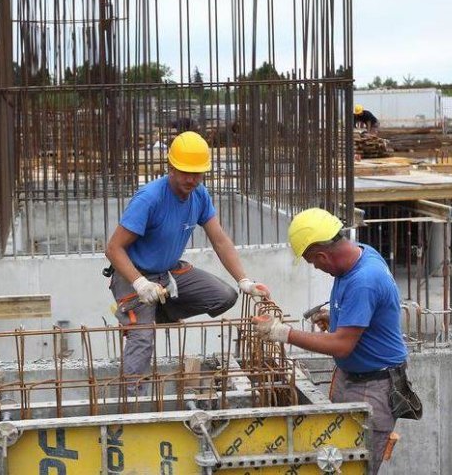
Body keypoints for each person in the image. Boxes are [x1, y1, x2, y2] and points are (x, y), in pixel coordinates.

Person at [254, 208, 419, 474]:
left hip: (372, 388)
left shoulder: (364, 280)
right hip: (354, 377)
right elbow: (368, 318)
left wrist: (281, 333)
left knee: (352, 468)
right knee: (333, 463)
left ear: (322, 255)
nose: (316, 267)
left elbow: (343, 345)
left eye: (313, 262)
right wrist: (340, 318)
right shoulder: (358, 255)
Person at [105, 131, 270, 392]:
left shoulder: (200, 195)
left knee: (224, 296)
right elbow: (113, 249)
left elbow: (220, 240)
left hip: (168, 271)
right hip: (132, 273)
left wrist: (244, 280)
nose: (192, 179)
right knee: (142, 339)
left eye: (198, 173)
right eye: (185, 172)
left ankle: (154, 313)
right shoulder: (149, 198)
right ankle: (132, 401)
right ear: (170, 167)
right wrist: (139, 283)